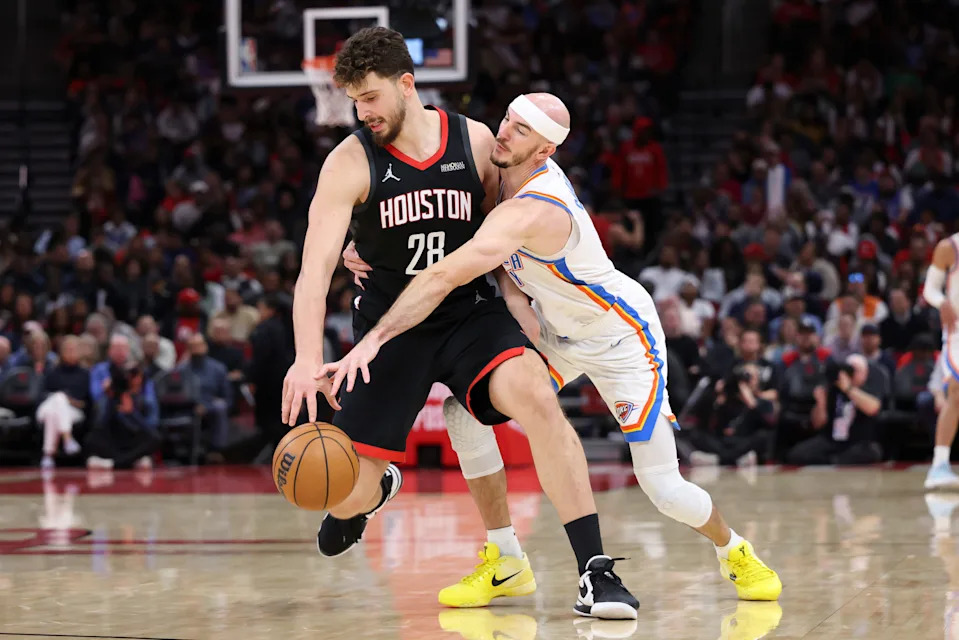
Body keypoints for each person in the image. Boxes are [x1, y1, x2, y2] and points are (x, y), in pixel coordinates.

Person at [330, 92, 782, 608]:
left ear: (544, 151)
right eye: (506, 120)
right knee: (465, 413)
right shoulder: (498, 175)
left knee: (663, 488)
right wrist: (368, 248)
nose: (503, 132)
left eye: (520, 131)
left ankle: (734, 550)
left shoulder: (538, 206)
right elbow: (451, 230)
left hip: (618, 336)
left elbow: (449, 268)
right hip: (554, 334)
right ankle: (505, 560)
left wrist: (374, 337)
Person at [280, 28, 638, 618]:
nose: (362, 112)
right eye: (354, 102)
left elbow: (513, 227)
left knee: (535, 396)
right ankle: (376, 493)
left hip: (469, 311)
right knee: (344, 495)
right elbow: (313, 274)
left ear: (406, 84)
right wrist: (304, 358)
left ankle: (595, 571)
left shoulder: (472, 141)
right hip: (390, 329)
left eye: (371, 97)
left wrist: (528, 306)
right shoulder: (348, 162)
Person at [922, 233, 959, 489]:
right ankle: (939, 465)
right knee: (956, 394)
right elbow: (929, 289)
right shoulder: (950, 247)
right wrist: (942, 301)